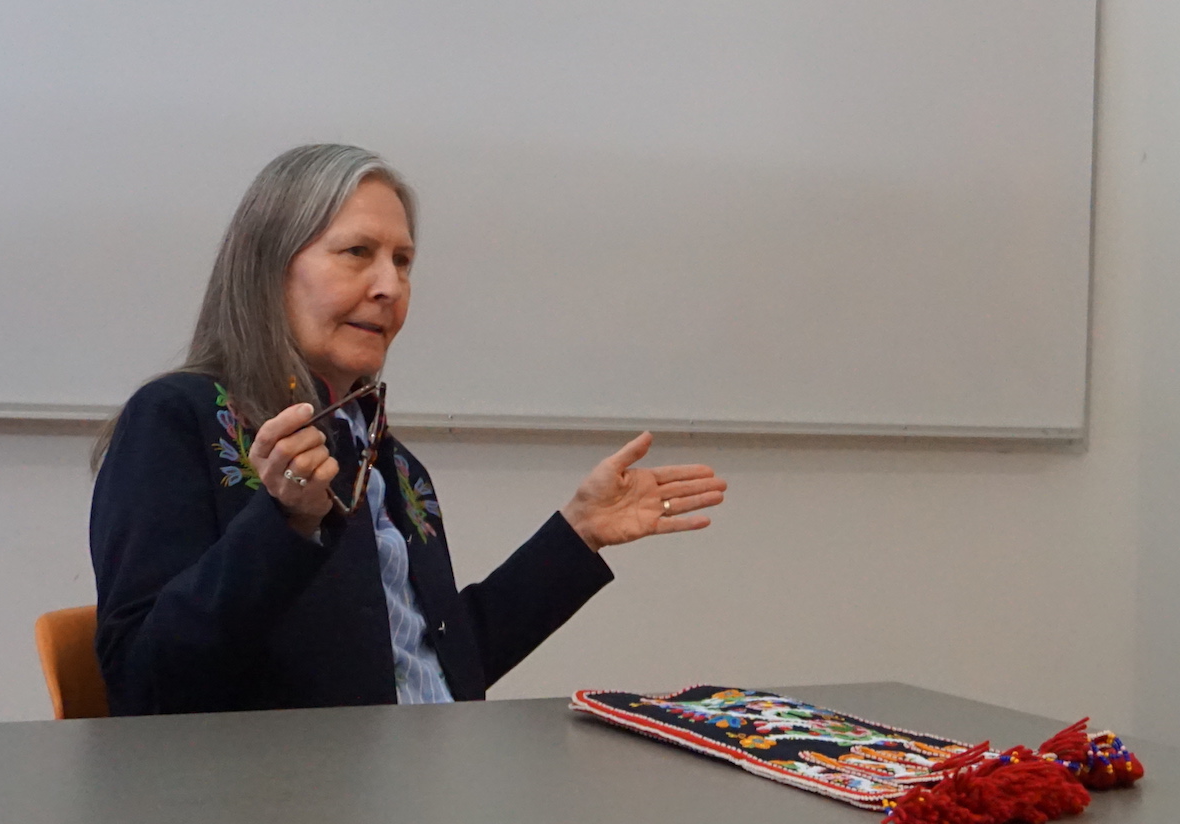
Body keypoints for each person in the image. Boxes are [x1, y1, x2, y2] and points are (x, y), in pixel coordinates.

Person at [89, 144, 727, 715]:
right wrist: (284, 523)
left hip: (429, 782)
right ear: (269, 267)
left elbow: (437, 663)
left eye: (404, 261)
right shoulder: (179, 418)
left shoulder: (388, 461)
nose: (390, 286)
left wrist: (577, 536)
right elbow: (144, 686)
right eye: (357, 254)